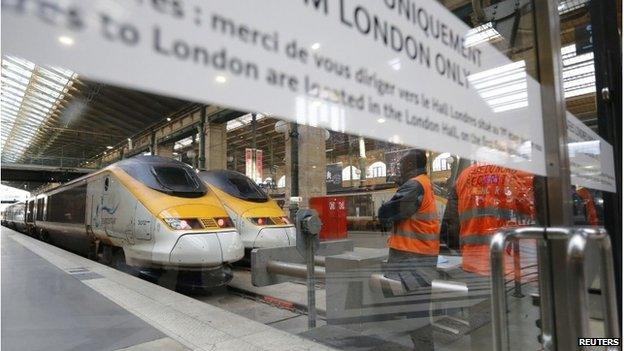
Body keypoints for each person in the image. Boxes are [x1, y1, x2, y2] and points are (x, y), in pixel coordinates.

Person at [440, 162, 535, 343]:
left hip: (474, 261)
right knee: (514, 324)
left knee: (479, 321)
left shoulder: (464, 176)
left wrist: (458, 247)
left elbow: (450, 222)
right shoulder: (519, 172)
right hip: (511, 261)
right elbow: (532, 209)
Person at [378, 149, 440, 350]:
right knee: (415, 307)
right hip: (417, 256)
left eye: (402, 165)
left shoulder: (415, 185)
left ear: (412, 166)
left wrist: (384, 208)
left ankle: (424, 348)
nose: (399, 169)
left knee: (417, 310)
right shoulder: (422, 183)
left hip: (413, 259)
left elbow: (390, 212)